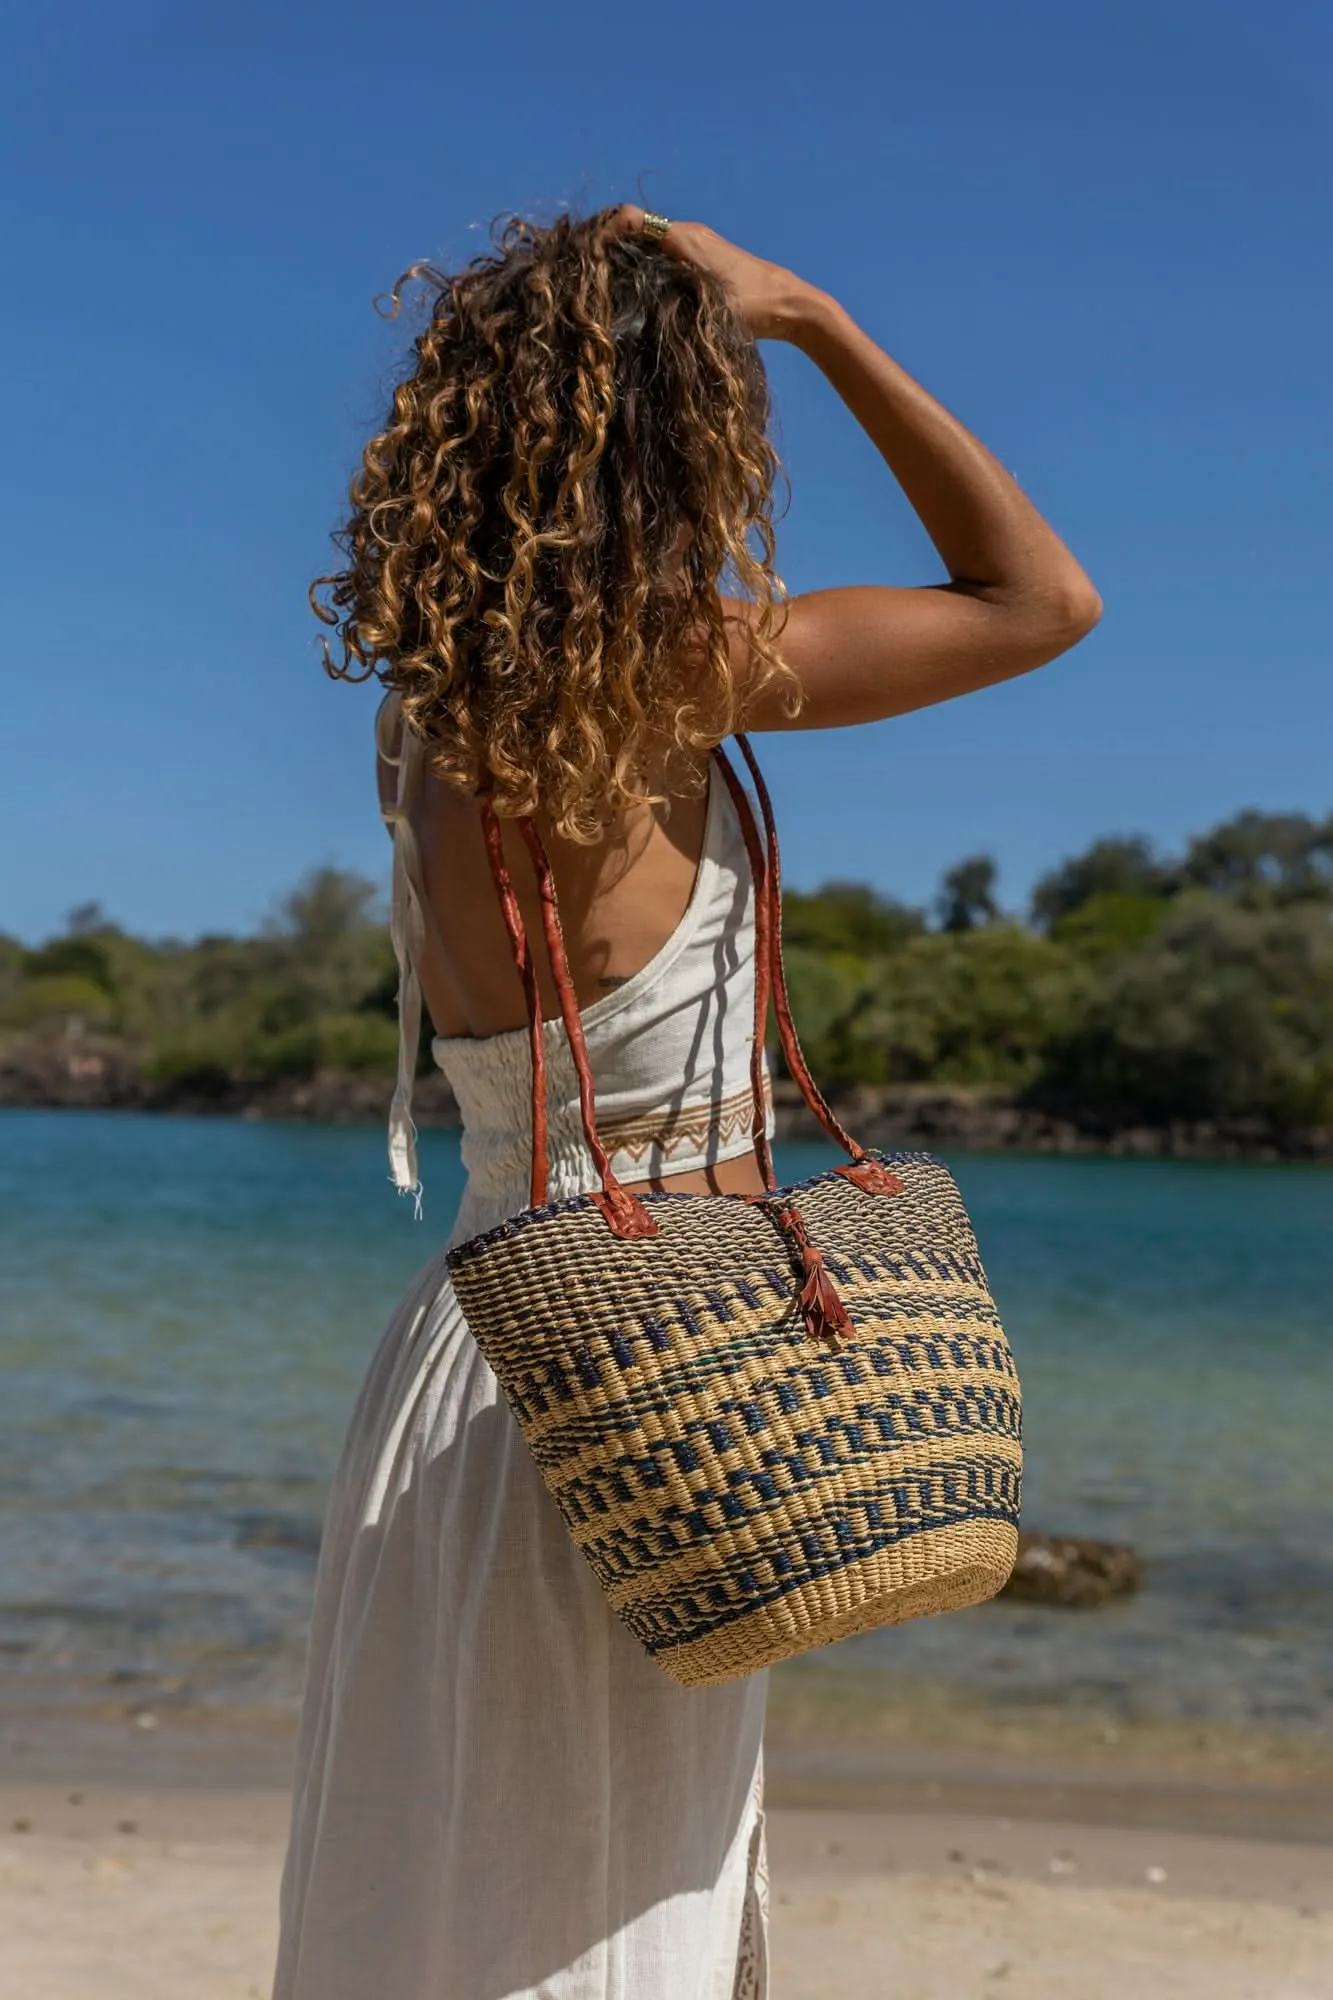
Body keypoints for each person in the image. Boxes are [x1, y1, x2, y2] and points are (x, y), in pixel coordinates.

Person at [273, 203, 1100, 2000]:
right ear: (672, 441)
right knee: (594, 1914)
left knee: (441, 1880)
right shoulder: (668, 672)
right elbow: (1041, 599)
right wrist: (812, 313)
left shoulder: (424, 710)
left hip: (483, 1355)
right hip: (662, 1378)